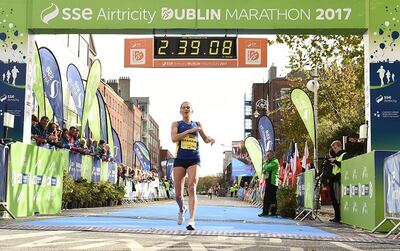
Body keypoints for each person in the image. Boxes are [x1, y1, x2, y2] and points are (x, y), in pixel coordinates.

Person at [171, 101, 215, 230]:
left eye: (188, 107)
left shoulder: (198, 124)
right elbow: (174, 138)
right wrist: (190, 131)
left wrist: (210, 140)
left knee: (192, 187)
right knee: (178, 195)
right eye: (183, 107)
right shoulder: (176, 124)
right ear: (180, 111)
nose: (186, 109)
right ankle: (181, 208)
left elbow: (205, 138)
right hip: (180, 159)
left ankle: (191, 220)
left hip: (194, 159)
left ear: (192, 111)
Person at [328, 140, 349, 223]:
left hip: (339, 179)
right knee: (334, 199)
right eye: (333, 148)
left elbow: (345, 165)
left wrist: (335, 161)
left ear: (340, 146)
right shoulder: (337, 156)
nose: (334, 149)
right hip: (334, 179)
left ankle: (339, 217)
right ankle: (336, 216)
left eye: (335, 147)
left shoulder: (344, 155)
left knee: (338, 199)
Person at [259, 150, 280, 217]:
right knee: (269, 198)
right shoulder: (269, 162)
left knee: (270, 198)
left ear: (272, 155)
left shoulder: (275, 161)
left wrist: (265, 167)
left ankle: (269, 212)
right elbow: (264, 168)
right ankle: (269, 212)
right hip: (269, 182)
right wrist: (265, 169)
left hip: (273, 183)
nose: (267, 157)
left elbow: (266, 167)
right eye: (266, 155)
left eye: (268, 155)